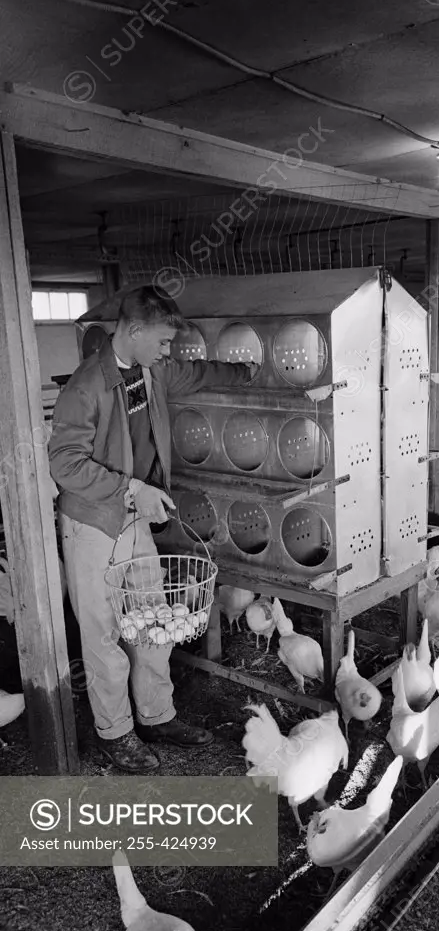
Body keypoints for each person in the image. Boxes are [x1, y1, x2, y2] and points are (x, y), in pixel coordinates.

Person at [49, 284, 253, 772]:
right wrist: (129, 489)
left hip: (134, 517)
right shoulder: (86, 386)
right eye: (162, 341)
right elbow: (64, 462)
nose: (167, 352)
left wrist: (245, 371)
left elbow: (195, 372)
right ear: (134, 330)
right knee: (102, 635)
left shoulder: (151, 371)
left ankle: (157, 714)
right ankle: (115, 733)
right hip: (94, 523)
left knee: (151, 621)